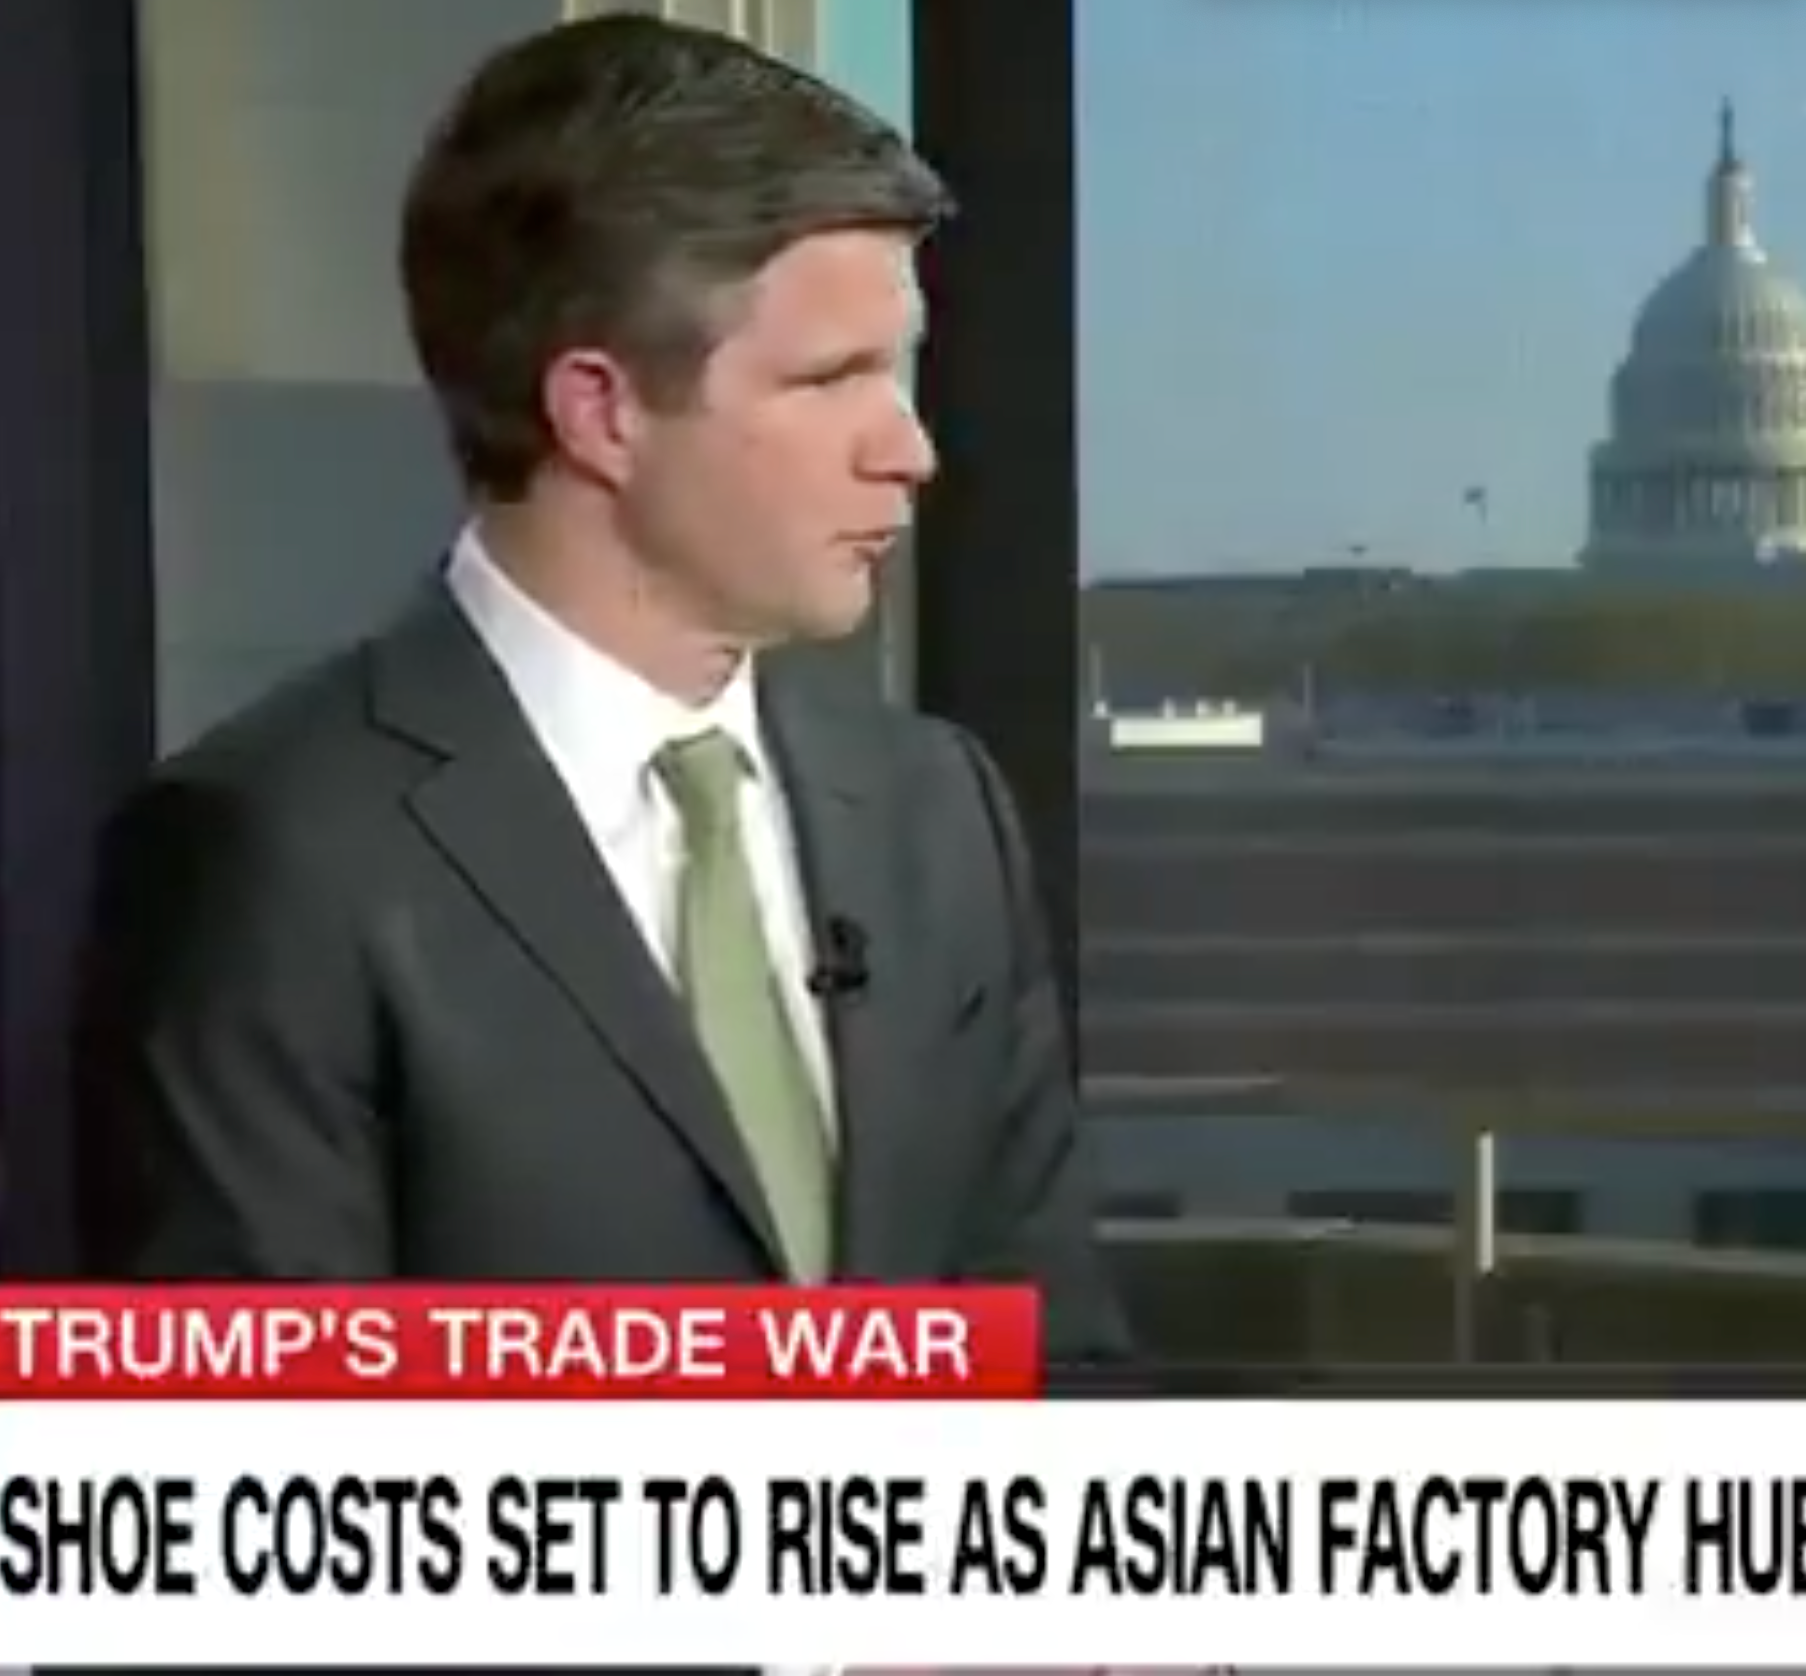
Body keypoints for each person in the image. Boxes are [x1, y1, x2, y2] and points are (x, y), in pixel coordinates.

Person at [68, 16, 1130, 1367]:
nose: (909, 448)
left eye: (899, 368)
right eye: (834, 378)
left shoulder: (938, 815)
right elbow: (261, 1512)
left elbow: (1058, 1375)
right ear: (600, 410)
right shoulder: (268, 853)